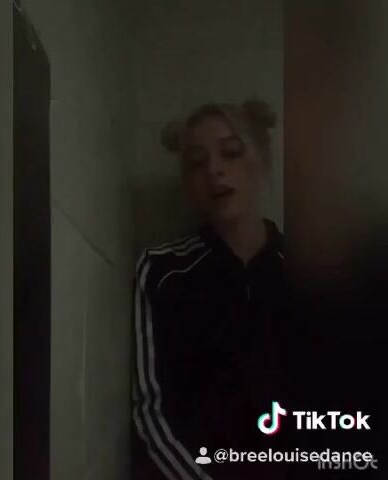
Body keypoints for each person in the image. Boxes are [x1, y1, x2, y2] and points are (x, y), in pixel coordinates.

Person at [131, 99, 289, 480]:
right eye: (196, 163)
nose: (214, 170)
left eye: (230, 153)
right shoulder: (163, 271)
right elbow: (149, 412)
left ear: (261, 161)